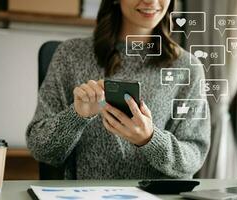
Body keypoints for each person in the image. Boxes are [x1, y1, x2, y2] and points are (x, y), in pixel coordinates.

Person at [26, 0, 211, 179]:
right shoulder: (70, 56)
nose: (151, 1)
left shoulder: (188, 68)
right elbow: (40, 148)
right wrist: (76, 116)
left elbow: (194, 156)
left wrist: (150, 139)